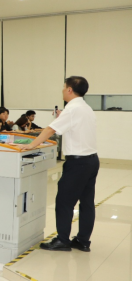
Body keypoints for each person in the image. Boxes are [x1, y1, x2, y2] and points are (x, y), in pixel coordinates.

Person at [22, 76, 99, 253]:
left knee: (64, 201)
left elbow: (50, 129)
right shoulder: (86, 108)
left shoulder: (71, 109)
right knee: (87, 202)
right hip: (91, 160)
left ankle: (63, 240)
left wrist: (32, 145)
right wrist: (61, 117)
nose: (63, 90)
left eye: (64, 87)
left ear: (70, 90)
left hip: (78, 163)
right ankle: (83, 241)